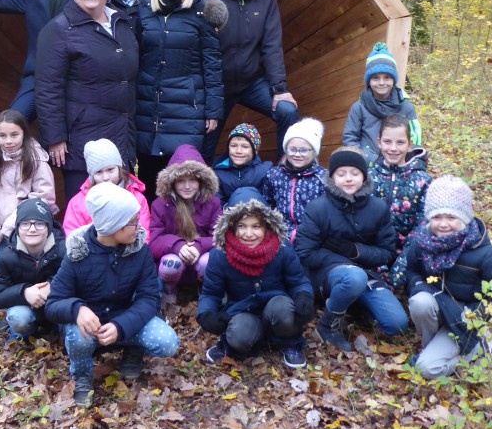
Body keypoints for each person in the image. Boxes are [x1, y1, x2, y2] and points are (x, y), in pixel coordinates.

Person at [45, 182, 180, 407]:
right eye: (132, 223)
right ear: (113, 225)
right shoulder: (77, 254)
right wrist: (77, 309)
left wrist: (121, 326)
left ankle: (132, 351)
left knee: (167, 341)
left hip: (126, 319)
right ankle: (82, 375)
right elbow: (53, 304)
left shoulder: (140, 250)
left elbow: (149, 297)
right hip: (91, 325)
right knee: (78, 336)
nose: (138, 227)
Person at [36, 0, 139, 202]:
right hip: (81, 136)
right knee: (84, 209)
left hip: (121, 132)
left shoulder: (122, 23)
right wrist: (55, 138)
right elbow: (47, 88)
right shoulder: (59, 29)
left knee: (119, 208)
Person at [401, 176, 492, 378]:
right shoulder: (421, 241)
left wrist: (472, 317)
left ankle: (476, 351)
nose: (443, 224)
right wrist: (420, 286)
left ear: (464, 217)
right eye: (437, 217)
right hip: (439, 310)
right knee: (420, 302)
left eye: (451, 217)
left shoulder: (482, 252)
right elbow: (411, 272)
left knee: (426, 369)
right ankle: (430, 348)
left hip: (465, 321)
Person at [295, 148, 408, 353]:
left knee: (396, 323)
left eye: (354, 173)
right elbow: (305, 253)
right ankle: (327, 326)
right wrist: (342, 262)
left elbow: (387, 251)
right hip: (325, 275)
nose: (348, 179)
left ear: (364, 176)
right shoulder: (317, 208)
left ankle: (352, 305)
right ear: (332, 177)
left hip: (365, 273)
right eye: (341, 173)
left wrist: (355, 251)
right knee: (353, 277)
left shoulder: (378, 208)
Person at [134, 0, 224, 190]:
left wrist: (213, 110)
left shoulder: (202, 7)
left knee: (182, 181)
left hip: (187, 107)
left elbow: (212, 62)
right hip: (148, 105)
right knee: (149, 176)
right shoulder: (143, 4)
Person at [203, 0, 298, 162]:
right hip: (219, 87)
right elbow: (203, 49)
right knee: (204, 143)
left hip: (251, 83)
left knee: (287, 111)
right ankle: (202, 188)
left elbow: (272, 45)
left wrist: (279, 89)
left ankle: (285, 173)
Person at [198, 200, 315, 369]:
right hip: (242, 309)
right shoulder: (219, 255)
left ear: (266, 227)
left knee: (282, 308)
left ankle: (290, 342)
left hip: (276, 305)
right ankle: (232, 344)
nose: (248, 233)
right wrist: (206, 314)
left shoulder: (282, 249)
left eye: (256, 227)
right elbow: (211, 293)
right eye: (242, 226)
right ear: (231, 227)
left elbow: (298, 281)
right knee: (239, 337)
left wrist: (304, 296)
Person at [0, 109, 57, 253]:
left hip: (31, 228)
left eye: (14, 135)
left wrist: (11, 225)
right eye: (2, 136)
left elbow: (44, 196)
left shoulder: (36, 157)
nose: (8, 141)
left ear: (24, 133)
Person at [148, 145, 222, 304]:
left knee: (209, 261)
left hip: (200, 257)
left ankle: (206, 293)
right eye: (181, 181)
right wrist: (177, 245)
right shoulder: (160, 205)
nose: (187, 186)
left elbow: (219, 237)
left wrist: (199, 245)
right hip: (174, 260)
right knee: (170, 262)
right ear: (172, 183)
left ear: (201, 181)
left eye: (192, 180)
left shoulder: (213, 203)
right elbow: (153, 242)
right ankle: (169, 292)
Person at [369, 115, 432, 286]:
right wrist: (379, 266)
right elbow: (364, 225)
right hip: (375, 255)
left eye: (400, 142)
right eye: (387, 142)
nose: (393, 148)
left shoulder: (422, 180)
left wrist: (399, 269)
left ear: (410, 144)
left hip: (409, 256)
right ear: (379, 142)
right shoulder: (369, 178)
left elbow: (422, 228)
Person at [0, 197, 64, 342]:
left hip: (57, 306)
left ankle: (62, 333)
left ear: (48, 226)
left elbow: (78, 282)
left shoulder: (63, 250)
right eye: (25, 224)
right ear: (17, 227)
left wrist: (51, 286)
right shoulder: (7, 256)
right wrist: (24, 292)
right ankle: (25, 334)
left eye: (39, 224)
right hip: (27, 307)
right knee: (18, 317)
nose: (32, 229)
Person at [341, 42, 421, 160]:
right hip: (368, 168)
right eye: (376, 78)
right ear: (369, 81)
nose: (382, 83)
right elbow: (350, 138)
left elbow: (415, 139)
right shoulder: (359, 108)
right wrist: (366, 159)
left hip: (399, 165)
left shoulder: (406, 106)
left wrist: (408, 161)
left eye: (387, 78)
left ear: (393, 80)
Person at [61, 138, 151, 236]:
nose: (106, 177)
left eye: (110, 170)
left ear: (119, 168)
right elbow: (72, 238)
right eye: (99, 172)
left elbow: (143, 235)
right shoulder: (77, 204)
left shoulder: (137, 199)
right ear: (91, 176)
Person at [261, 117, 328, 241]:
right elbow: (268, 205)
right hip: (279, 238)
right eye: (292, 149)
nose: (297, 154)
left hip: (311, 239)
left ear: (314, 152)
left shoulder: (323, 178)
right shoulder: (274, 175)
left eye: (304, 150)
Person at [212, 123, 273, 206]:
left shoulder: (265, 171)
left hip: (258, 216)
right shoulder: (218, 173)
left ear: (255, 151)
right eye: (234, 146)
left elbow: (271, 202)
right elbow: (217, 205)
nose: (238, 151)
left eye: (245, 146)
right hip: (230, 216)